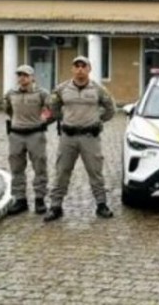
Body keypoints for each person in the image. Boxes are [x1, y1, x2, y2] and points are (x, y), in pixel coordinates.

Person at [44, 56, 116, 222]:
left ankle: (101, 205)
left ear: (89, 69)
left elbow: (110, 109)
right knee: (62, 171)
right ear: (72, 69)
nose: (80, 69)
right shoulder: (62, 89)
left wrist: (97, 121)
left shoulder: (98, 89)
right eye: (77, 66)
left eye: (84, 66)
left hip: (90, 137)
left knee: (95, 172)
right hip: (68, 137)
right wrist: (64, 118)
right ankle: (55, 206)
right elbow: (52, 106)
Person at [3, 65, 51, 215]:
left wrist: (44, 120)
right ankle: (20, 200)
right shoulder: (11, 94)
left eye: (25, 75)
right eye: (19, 75)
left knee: (40, 167)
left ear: (32, 77)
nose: (22, 78)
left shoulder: (42, 93)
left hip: (35, 134)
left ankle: (39, 200)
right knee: (16, 168)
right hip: (16, 135)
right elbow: (8, 110)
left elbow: (53, 109)